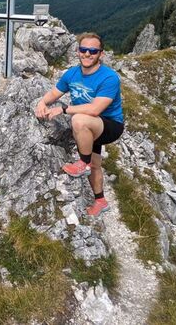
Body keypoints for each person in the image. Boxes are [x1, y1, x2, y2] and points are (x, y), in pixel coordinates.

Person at [34, 32, 124, 217]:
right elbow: (54, 93)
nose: (87, 54)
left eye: (93, 51)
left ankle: (83, 163)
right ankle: (100, 200)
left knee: (78, 119)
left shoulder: (109, 77)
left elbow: (95, 109)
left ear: (101, 54)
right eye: (83, 49)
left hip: (110, 125)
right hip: (91, 126)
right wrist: (42, 102)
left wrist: (63, 109)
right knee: (96, 164)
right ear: (78, 51)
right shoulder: (72, 74)